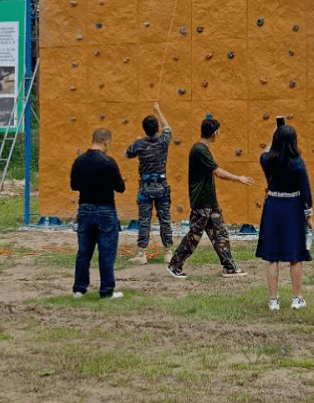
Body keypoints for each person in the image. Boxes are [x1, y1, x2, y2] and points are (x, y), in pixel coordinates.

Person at [167, 117, 253, 279]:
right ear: (214, 134)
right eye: (218, 132)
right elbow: (218, 172)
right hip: (201, 201)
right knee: (194, 236)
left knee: (220, 234)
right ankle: (174, 265)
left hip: (210, 202)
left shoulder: (202, 149)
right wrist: (238, 178)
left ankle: (229, 267)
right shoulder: (199, 150)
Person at [256, 124, 313, 311]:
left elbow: (265, 153)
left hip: (272, 206)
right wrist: (308, 215)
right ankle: (297, 298)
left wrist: (273, 135)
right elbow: (305, 191)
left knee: (272, 257)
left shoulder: (266, 160)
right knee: (295, 255)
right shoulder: (298, 163)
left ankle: (273, 300)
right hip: (292, 207)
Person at [70, 128, 126, 299]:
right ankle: (106, 290)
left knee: (84, 251)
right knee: (107, 252)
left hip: (85, 209)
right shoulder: (109, 162)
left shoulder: (79, 161)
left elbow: (74, 186)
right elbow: (120, 188)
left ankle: (79, 289)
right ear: (106, 141)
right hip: (105, 210)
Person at [124, 102, 174, 266]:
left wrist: (137, 141)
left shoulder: (140, 144)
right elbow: (168, 128)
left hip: (145, 187)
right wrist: (159, 111)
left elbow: (127, 153)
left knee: (144, 220)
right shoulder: (162, 142)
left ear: (144, 129)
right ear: (156, 128)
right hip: (161, 187)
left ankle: (141, 253)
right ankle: (168, 252)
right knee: (164, 220)